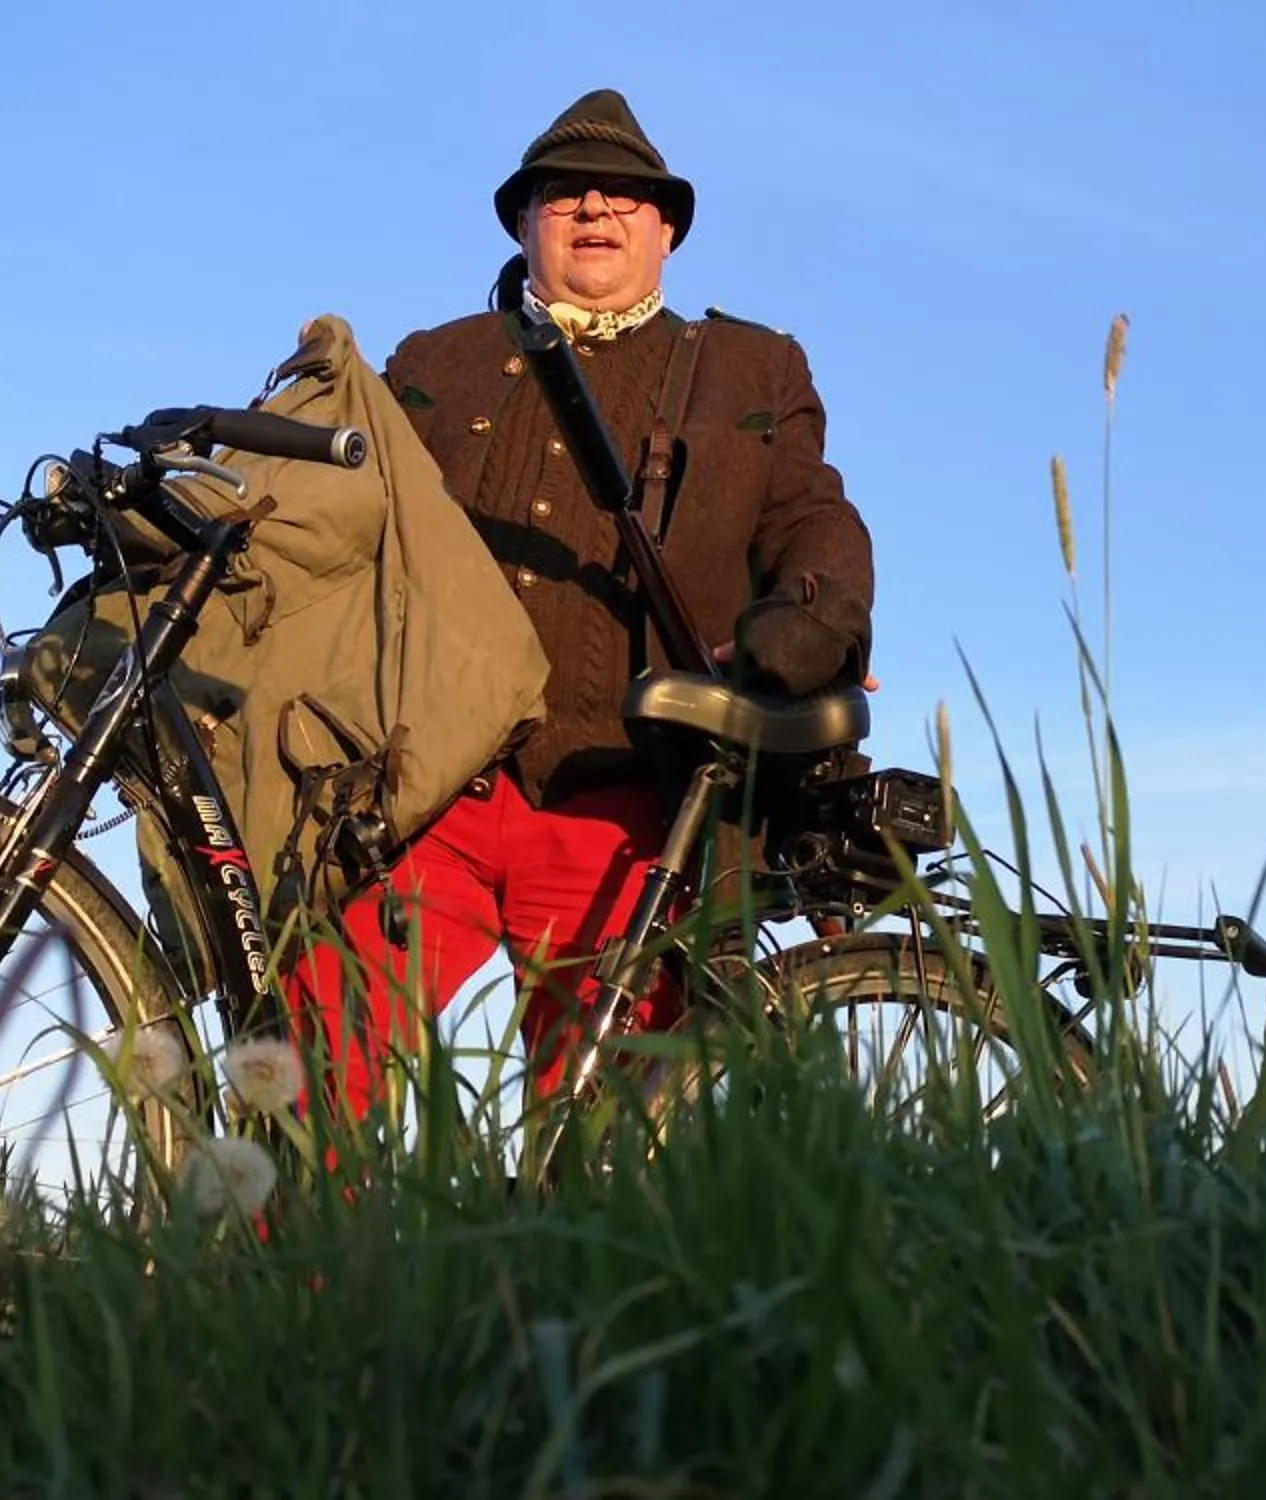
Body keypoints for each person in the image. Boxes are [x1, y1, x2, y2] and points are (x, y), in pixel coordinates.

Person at [272, 86, 878, 1128]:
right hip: (433, 786)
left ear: (667, 229)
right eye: (563, 194)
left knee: (604, 1129)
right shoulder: (432, 360)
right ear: (522, 223)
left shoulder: (749, 364)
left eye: (626, 195)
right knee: (320, 1052)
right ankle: (292, 1289)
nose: (596, 208)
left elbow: (813, 518)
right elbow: (332, 515)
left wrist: (811, 625)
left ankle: (559, 1290)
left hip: (628, 796)